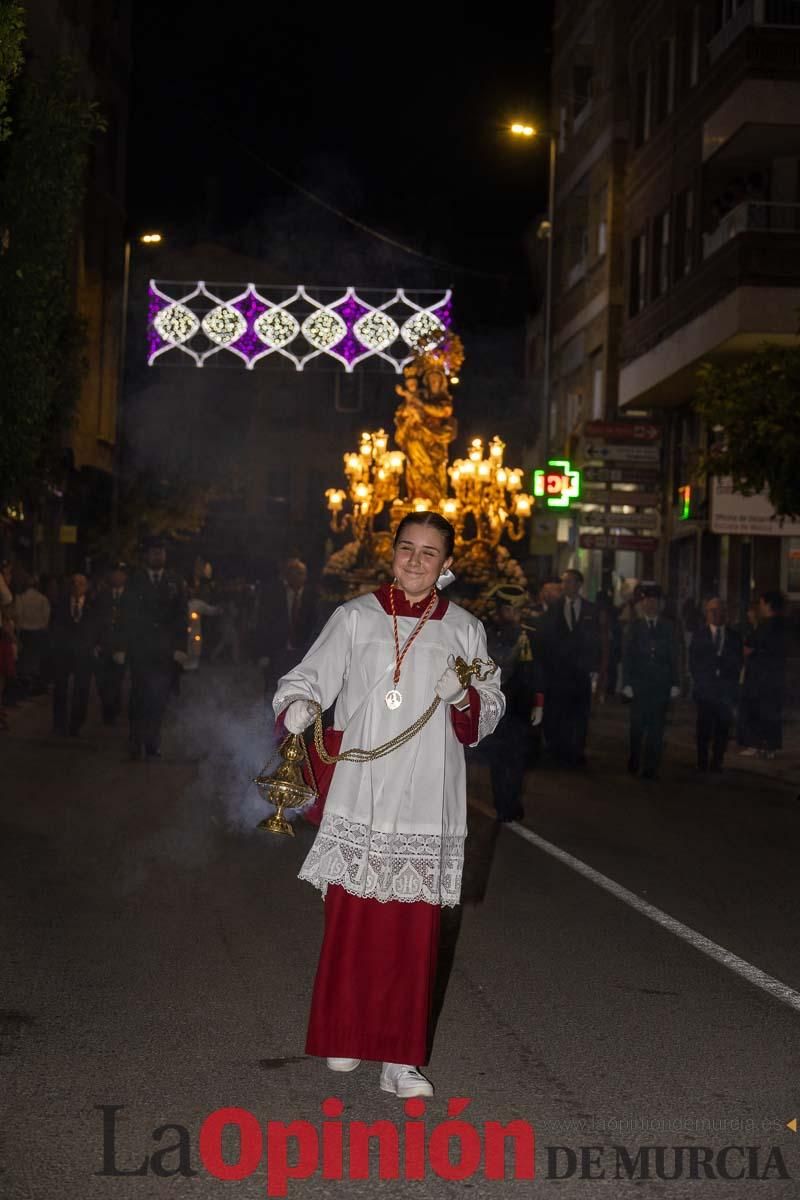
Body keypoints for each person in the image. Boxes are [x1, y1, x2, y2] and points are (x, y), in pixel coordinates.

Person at [273, 512, 504, 1099]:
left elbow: (489, 710)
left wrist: (465, 698)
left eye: (431, 553)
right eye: (408, 549)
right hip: (362, 790)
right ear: (392, 553)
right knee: (352, 922)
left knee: (412, 932)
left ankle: (400, 1061)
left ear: (447, 563)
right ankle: (346, 1033)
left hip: (428, 796)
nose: (417, 561)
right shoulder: (354, 617)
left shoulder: (465, 630)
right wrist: (298, 707)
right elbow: (306, 677)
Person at [483, 584, 544, 822]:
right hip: (495, 705)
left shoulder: (528, 636)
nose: (515, 614)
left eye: (517, 610)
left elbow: (537, 673)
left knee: (517, 758)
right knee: (498, 758)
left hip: (520, 706)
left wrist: (538, 703)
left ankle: (512, 800)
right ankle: (502, 802)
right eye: (510, 609)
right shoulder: (486, 633)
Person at [122, 537, 187, 760]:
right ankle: (135, 741)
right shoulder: (135, 581)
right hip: (140, 648)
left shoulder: (174, 581)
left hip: (165, 650)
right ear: (147, 556)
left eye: (161, 552)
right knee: (138, 697)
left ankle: (152, 742)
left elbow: (181, 616)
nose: (158, 556)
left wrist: (180, 648)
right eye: (153, 553)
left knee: (159, 699)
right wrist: (123, 645)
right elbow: (126, 615)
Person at [540, 568, 600, 766]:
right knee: (557, 712)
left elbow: (597, 641)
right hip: (558, 673)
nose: (566, 586)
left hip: (581, 673)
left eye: (570, 582)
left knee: (579, 714)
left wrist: (595, 669)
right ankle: (557, 750)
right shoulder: (554, 608)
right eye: (564, 582)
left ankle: (577, 751)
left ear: (579, 585)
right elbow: (546, 639)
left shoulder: (591, 610)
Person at [622, 583, 680, 780]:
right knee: (637, 726)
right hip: (639, 685)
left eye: (655, 602)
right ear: (642, 604)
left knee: (657, 728)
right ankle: (635, 757)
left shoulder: (669, 627)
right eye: (647, 601)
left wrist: (675, 683)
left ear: (660, 604)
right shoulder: (634, 627)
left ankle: (651, 766)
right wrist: (627, 683)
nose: (651, 605)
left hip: (660, 685)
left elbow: (675, 656)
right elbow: (627, 656)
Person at [688, 597, 743, 772]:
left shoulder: (734, 637)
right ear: (706, 613)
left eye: (719, 610)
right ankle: (702, 761)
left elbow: (738, 662)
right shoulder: (699, 635)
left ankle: (717, 760)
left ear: (725, 614)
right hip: (705, 689)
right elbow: (693, 661)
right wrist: (700, 681)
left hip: (725, 690)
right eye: (712, 610)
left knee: (722, 727)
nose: (715, 614)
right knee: (703, 727)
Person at [256, 557, 317, 693]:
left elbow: (315, 624)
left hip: (302, 652)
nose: (297, 577)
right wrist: (263, 653)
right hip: (277, 651)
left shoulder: (311, 596)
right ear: (287, 575)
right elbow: (263, 623)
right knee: (273, 689)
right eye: (293, 573)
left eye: (300, 573)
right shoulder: (273, 594)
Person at [50, 573, 97, 737]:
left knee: (81, 689)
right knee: (60, 688)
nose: (77, 586)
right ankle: (59, 723)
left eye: (81, 583)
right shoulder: (61, 604)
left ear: (86, 586)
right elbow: (55, 626)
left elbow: (97, 628)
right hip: (63, 653)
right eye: (74, 583)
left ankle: (76, 723)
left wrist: (95, 646)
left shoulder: (93, 606)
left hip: (84, 653)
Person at [744, 590, 786, 759]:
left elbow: (749, 647)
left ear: (768, 604)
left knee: (760, 711)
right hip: (776, 675)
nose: (760, 607)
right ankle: (771, 747)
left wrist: (754, 624)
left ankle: (760, 745)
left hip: (761, 675)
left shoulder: (765, 625)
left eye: (761, 603)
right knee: (772, 711)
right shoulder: (781, 624)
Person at [94, 563, 129, 725]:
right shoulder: (103, 595)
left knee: (115, 680)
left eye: (120, 573)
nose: (117, 577)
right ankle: (108, 706)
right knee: (102, 681)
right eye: (114, 573)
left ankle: (112, 710)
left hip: (120, 647)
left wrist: (125, 646)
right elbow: (96, 620)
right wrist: (96, 642)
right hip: (104, 645)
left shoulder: (130, 597)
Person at [12, 571, 51, 696]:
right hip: (39, 633)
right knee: (36, 660)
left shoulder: (20, 598)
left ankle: (26, 687)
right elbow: (46, 618)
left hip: (25, 633)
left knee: (25, 661)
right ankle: (36, 686)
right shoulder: (43, 599)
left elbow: (18, 616)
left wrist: (17, 635)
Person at [736, 600, 760, 752]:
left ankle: (752, 743)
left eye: (750, 611)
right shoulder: (753, 630)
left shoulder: (757, 632)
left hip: (752, 675)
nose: (748, 614)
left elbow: (746, 651)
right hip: (748, 673)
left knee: (748, 709)